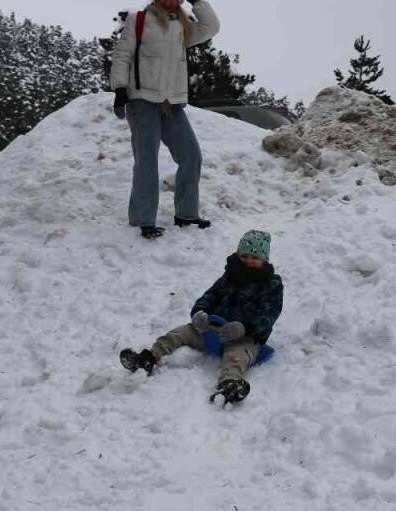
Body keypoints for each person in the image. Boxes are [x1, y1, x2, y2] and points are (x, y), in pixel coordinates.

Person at [120, 230, 283, 404]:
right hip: (214, 329)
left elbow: (269, 314)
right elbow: (211, 295)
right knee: (180, 333)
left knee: (236, 357)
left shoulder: (271, 285)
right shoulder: (230, 275)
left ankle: (229, 384)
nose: (249, 261)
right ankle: (148, 358)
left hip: (245, 337)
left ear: (264, 259)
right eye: (245, 256)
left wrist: (245, 327)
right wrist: (200, 311)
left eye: (255, 258)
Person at [109, 0, 221, 239]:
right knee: (147, 160)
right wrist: (120, 89)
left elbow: (211, 27)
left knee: (191, 155)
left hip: (172, 103)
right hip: (141, 100)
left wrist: (198, 2)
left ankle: (186, 214)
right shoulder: (140, 20)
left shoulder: (183, 26)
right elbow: (122, 56)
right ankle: (142, 219)